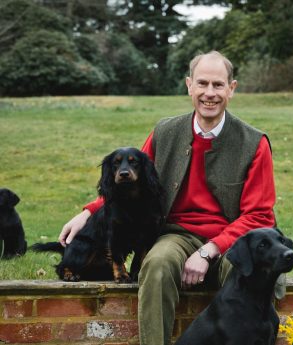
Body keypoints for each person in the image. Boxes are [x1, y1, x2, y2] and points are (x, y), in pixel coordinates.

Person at [59, 51, 277, 345]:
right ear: (189, 86)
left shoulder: (254, 143)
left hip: (232, 239)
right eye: (202, 84)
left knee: (247, 272)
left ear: (232, 89)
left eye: (218, 85)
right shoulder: (165, 131)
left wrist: (208, 251)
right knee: (156, 264)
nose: (209, 93)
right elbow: (132, 182)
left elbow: (259, 216)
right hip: (176, 234)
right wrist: (88, 212)